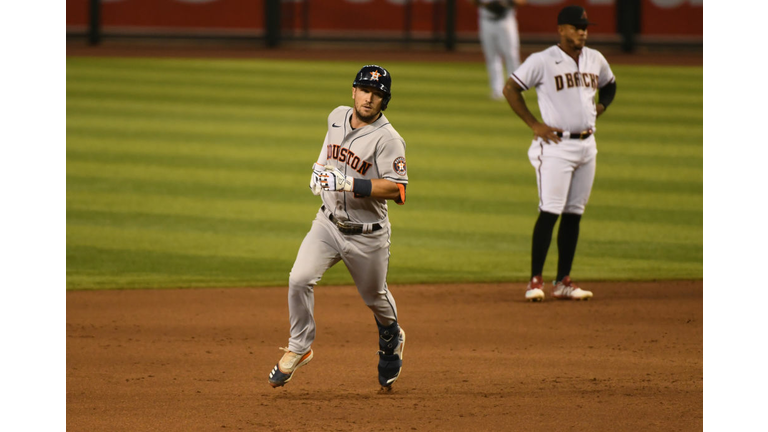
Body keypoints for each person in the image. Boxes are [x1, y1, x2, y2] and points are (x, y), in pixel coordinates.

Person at [268, 65, 409, 389]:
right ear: (353, 91)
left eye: (377, 94)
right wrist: (319, 167)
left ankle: (390, 335)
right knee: (299, 279)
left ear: (384, 100)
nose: (369, 98)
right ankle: (300, 347)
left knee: (375, 297)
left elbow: (398, 190)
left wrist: (349, 182)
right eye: (364, 90)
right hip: (328, 225)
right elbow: (328, 146)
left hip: (367, 235)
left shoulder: (389, 139)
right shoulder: (336, 115)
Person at [502, 5, 617, 302]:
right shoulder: (543, 60)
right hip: (555, 147)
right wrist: (534, 124)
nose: (582, 32)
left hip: (587, 146)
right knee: (550, 211)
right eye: (577, 27)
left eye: (585, 27)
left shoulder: (595, 59)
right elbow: (511, 89)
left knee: (573, 214)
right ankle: (535, 281)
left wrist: (599, 108)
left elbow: (610, 86)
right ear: (561, 29)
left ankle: (564, 281)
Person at [473, 0, 527, 100]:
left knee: (511, 55)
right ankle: (497, 90)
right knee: (491, 57)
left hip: (505, 20)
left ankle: (515, 88)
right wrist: (487, 5)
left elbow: (521, 1)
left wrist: (506, 3)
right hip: (486, 20)